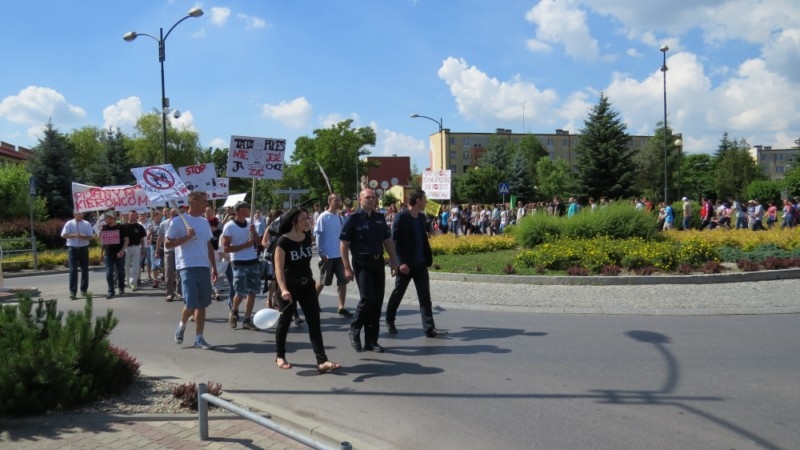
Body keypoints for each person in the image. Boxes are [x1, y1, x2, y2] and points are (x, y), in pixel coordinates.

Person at [273, 206, 341, 373]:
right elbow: (278, 269)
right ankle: (280, 356)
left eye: (307, 218)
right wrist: (283, 289)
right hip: (289, 287)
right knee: (285, 322)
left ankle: (322, 360)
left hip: (307, 285)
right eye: (303, 219)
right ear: (294, 221)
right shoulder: (282, 241)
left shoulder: (306, 238)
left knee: (314, 322)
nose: (307, 221)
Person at [340, 188, 399, 353]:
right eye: (368, 197)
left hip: (377, 262)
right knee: (367, 299)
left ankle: (371, 341)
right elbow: (344, 244)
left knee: (377, 302)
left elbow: (387, 240)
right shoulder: (352, 219)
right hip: (362, 262)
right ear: (360, 200)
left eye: (373, 197)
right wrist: (346, 267)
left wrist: (394, 260)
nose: (372, 200)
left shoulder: (379, 218)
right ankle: (354, 328)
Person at [385, 189, 448, 338]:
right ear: (418, 200)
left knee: (425, 297)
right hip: (405, 265)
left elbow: (425, 237)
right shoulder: (401, 217)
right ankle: (389, 319)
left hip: (420, 263)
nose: (426, 202)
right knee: (398, 293)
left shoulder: (421, 217)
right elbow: (395, 241)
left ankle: (429, 328)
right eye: (425, 199)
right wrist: (400, 262)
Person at [168, 191, 218, 350]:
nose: (207, 204)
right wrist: (186, 237)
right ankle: (182, 325)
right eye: (204, 201)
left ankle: (199, 338)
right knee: (191, 303)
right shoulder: (178, 221)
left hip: (203, 266)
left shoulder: (204, 222)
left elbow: (209, 245)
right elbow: (168, 244)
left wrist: (214, 266)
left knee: (202, 305)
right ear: (194, 202)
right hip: (187, 266)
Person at [313, 193, 352, 317]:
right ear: (329, 201)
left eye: (339, 200)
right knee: (323, 281)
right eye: (336, 200)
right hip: (327, 255)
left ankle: (341, 307)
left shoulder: (339, 217)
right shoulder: (323, 217)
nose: (338, 202)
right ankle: (313, 302)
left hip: (339, 255)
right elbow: (318, 235)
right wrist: (321, 252)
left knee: (343, 281)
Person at [223, 201, 260, 330]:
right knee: (240, 292)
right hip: (239, 262)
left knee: (252, 292)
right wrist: (245, 245)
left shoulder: (250, 223)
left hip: (252, 261)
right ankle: (233, 310)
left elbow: (258, 242)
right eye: (246, 208)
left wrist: (254, 232)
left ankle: (247, 320)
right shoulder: (229, 226)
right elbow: (226, 248)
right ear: (239, 210)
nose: (249, 210)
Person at [61, 210, 95, 299]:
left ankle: (84, 290)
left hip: (83, 248)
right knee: (73, 270)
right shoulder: (69, 223)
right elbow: (63, 235)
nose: (80, 215)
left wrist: (83, 236)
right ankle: (73, 292)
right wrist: (75, 235)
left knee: (85, 270)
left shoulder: (86, 224)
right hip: (72, 249)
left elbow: (91, 236)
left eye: (81, 213)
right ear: (74, 214)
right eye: (78, 214)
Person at [99, 210, 128, 299]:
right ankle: (111, 291)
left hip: (119, 253)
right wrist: (101, 253)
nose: (107, 220)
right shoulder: (104, 228)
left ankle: (121, 288)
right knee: (109, 273)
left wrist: (122, 250)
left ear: (113, 218)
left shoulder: (121, 227)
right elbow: (102, 242)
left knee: (120, 272)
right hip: (108, 253)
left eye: (108, 218)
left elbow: (126, 240)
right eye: (106, 218)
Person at [123, 211, 146, 291]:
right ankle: (128, 282)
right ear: (128, 216)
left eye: (134, 215)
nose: (132, 217)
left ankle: (133, 283)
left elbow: (142, 239)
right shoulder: (123, 226)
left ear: (136, 216)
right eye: (131, 215)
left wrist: (143, 248)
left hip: (136, 247)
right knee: (126, 266)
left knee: (135, 266)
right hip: (126, 248)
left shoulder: (139, 227)